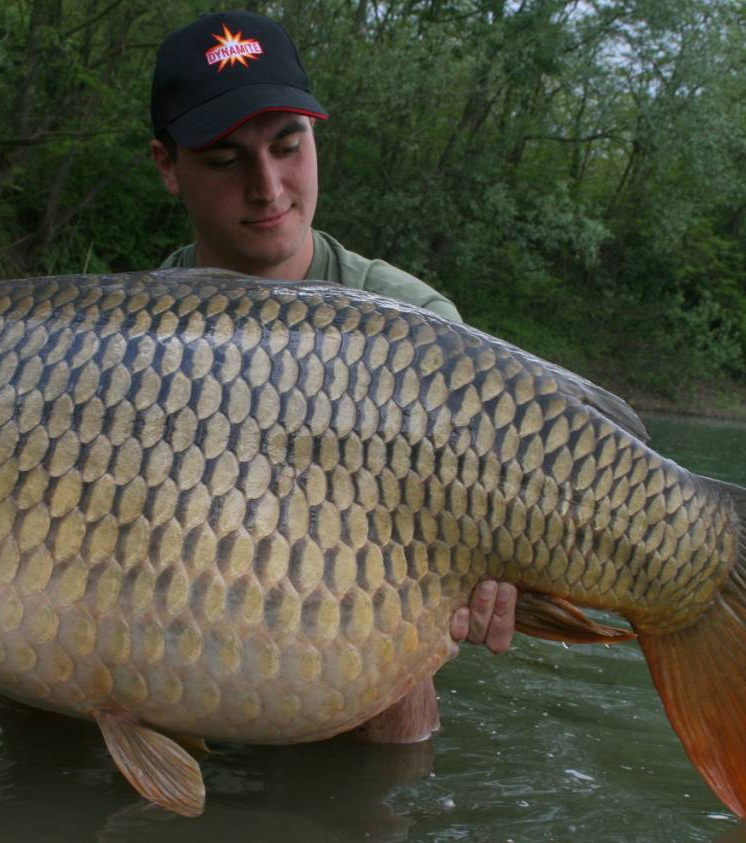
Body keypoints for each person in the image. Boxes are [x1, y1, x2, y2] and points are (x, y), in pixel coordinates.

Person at [148, 10, 516, 735]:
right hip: (188, 635)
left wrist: (503, 585)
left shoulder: (416, 319)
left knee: (397, 653)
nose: (268, 186)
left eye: (289, 147)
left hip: (359, 641)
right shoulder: (130, 335)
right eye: (226, 160)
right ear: (168, 165)